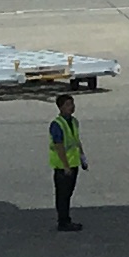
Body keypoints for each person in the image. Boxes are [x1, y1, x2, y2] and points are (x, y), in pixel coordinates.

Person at [48, 93, 84, 232]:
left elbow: (76, 140)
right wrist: (66, 166)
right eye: (68, 105)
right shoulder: (57, 124)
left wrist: (82, 156)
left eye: (72, 104)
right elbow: (59, 146)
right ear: (60, 107)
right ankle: (63, 222)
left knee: (68, 194)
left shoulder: (73, 121)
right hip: (63, 166)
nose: (72, 107)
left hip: (73, 163)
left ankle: (66, 220)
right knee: (63, 195)